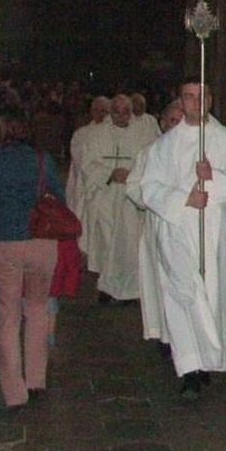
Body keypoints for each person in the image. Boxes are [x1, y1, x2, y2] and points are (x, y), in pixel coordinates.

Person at [126, 80, 226, 399]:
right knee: (183, 296)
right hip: (178, 232)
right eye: (188, 97)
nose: (196, 102)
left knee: (213, 295)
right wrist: (185, 198)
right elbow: (149, 188)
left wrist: (215, 179)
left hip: (217, 235)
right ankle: (190, 369)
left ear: (210, 100)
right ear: (180, 102)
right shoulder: (164, 146)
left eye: (201, 96)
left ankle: (208, 359)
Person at [0, 107, 65, 411]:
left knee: (8, 316)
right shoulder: (41, 161)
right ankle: (36, 379)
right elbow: (59, 196)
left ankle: (14, 392)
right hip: (40, 242)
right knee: (38, 310)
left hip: (6, 242)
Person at [90, 94, 158, 304]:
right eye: (116, 111)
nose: (121, 116)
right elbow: (88, 164)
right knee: (108, 242)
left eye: (125, 112)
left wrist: (134, 176)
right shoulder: (97, 135)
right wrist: (110, 173)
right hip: (107, 196)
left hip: (130, 197)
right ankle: (106, 287)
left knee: (129, 245)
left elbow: (151, 162)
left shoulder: (142, 135)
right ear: (111, 113)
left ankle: (130, 290)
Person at [138, 100, 184, 351]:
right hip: (158, 225)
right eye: (172, 121)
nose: (176, 126)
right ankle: (166, 335)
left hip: (186, 228)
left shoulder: (194, 149)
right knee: (161, 283)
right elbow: (137, 188)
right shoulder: (150, 151)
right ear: (163, 123)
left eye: (181, 121)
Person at [66, 95, 110, 260]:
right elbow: (81, 161)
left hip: (107, 188)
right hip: (86, 186)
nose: (100, 115)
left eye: (104, 111)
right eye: (97, 111)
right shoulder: (82, 134)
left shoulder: (113, 134)